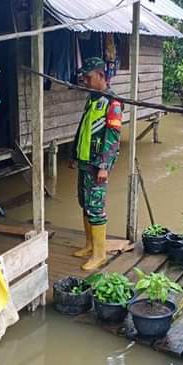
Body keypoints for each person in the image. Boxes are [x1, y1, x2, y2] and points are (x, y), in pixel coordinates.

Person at [69, 57, 122, 271]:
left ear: (101, 76)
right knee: (85, 203)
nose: (85, 82)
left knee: (96, 207)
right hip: (84, 160)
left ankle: (100, 254)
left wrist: (104, 166)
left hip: (97, 164)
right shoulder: (92, 99)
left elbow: (113, 136)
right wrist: (74, 154)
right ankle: (89, 244)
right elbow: (83, 128)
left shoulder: (113, 103)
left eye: (89, 77)